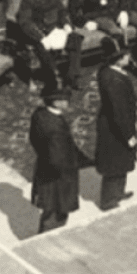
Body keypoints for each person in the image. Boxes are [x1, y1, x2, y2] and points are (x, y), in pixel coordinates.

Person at [94, 38, 137, 211]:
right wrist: (128, 135)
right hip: (114, 128)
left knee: (121, 161)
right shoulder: (113, 80)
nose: (129, 58)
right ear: (117, 59)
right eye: (125, 55)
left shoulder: (109, 72)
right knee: (114, 164)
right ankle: (108, 200)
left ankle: (118, 192)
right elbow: (118, 111)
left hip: (114, 123)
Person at [29, 89, 82, 233]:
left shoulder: (39, 115)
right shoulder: (55, 127)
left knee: (49, 208)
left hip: (44, 168)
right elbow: (59, 155)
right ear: (56, 102)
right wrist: (71, 166)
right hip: (59, 175)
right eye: (64, 100)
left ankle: (46, 233)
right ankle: (48, 237)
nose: (67, 102)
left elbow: (34, 139)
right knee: (57, 211)